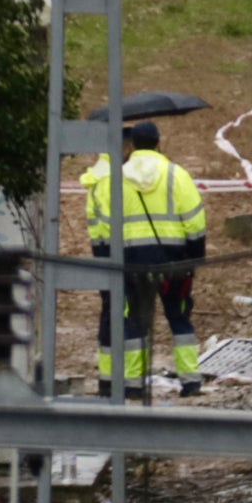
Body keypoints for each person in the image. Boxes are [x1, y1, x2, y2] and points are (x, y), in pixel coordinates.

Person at [80, 122, 206, 397]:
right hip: (174, 260)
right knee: (179, 317)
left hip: (131, 260)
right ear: (159, 143)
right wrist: (195, 257)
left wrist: (105, 256)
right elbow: (195, 219)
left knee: (135, 319)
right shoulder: (177, 175)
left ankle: (134, 386)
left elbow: (102, 224)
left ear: (132, 145)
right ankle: (191, 381)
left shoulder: (113, 178)